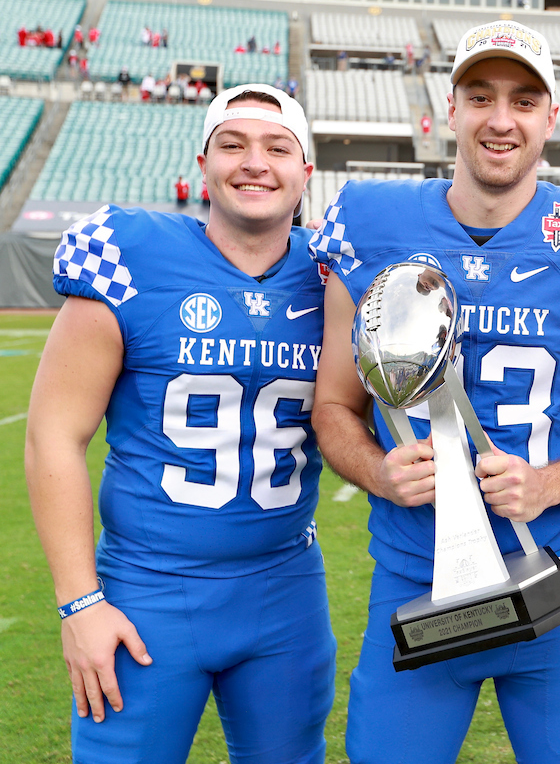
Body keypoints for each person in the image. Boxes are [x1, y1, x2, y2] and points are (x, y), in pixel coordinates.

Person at [309, 20, 560, 764]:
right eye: (481, 96)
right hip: (416, 584)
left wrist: (549, 483)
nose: (501, 119)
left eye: (524, 100)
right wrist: (378, 471)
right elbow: (334, 407)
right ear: (450, 109)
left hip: (552, 581)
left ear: (550, 118)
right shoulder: (375, 223)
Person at [25, 84, 336, 763]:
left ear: (305, 174)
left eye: (277, 147)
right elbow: (54, 431)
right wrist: (79, 603)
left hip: (286, 591)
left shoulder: (335, 277)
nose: (254, 161)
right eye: (233, 144)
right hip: (147, 589)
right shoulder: (130, 255)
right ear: (202, 164)